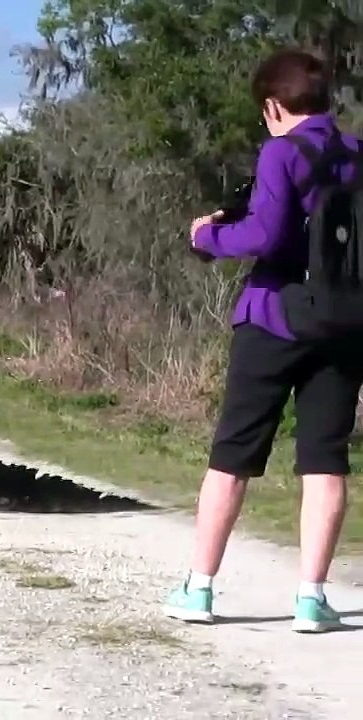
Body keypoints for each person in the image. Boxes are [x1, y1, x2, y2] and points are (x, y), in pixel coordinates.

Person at [166, 47, 363, 633]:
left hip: (273, 316)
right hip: (343, 325)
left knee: (233, 456)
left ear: (274, 105)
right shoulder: (357, 152)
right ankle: (311, 598)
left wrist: (208, 238)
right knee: (325, 461)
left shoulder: (281, 151)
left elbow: (265, 234)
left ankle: (199, 589)